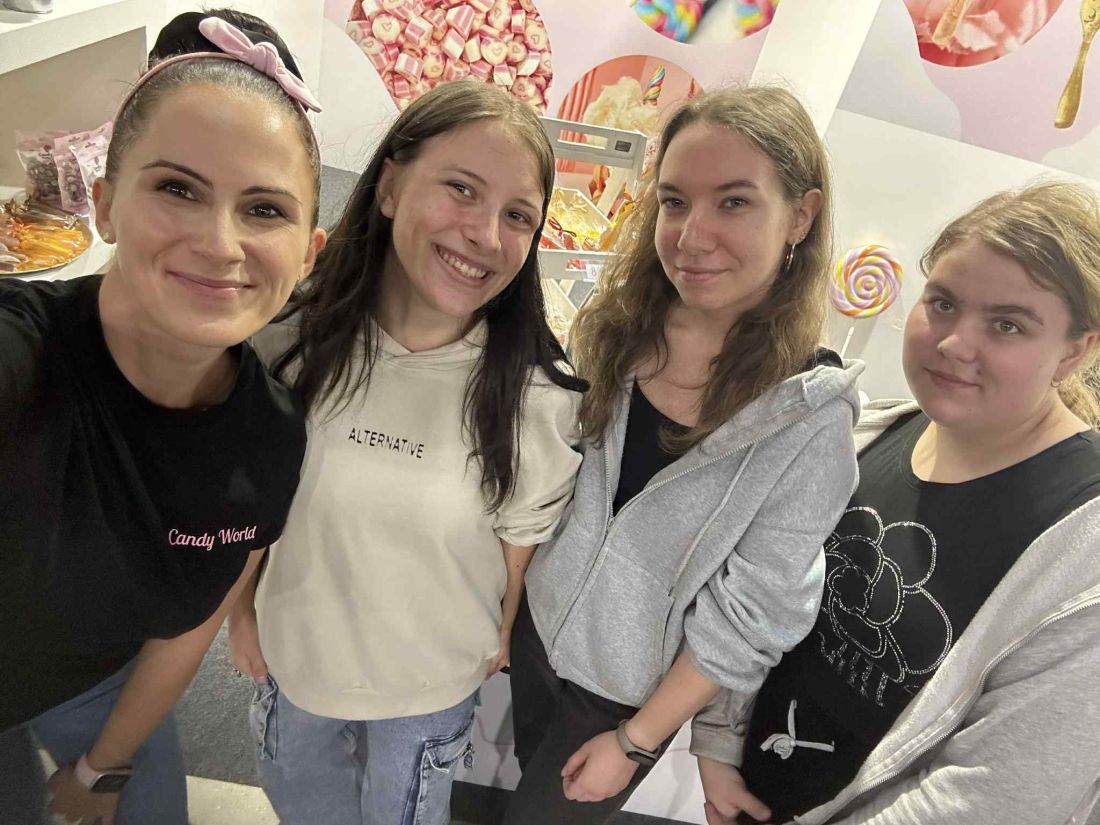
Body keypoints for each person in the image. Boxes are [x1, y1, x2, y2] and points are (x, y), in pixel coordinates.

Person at [226, 80, 586, 825]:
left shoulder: (536, 396)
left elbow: (517, 551)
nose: (486, 234)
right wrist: (240, 612)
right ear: (389, 185)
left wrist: (496, 638)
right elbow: (250, 505)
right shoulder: (286, 344)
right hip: (294, 659)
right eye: (462, 188)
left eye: (518, 215)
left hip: (430, 686)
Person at [502, 85, 863, 825]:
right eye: (674, 201)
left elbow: (753, 614)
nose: (693, 236)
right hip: (535, 631)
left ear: (800, 215)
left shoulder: (810, 420)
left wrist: (636, 741)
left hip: (620, 700)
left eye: (734, 202)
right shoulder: (621, 325)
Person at [0, 13, 325, 825]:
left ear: (308, 253)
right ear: (105, 206)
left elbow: (189, 621)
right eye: (178, 188)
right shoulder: (22, 356)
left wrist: (103, 765)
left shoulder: (270, 438)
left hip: (99, 677)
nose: (219, 243)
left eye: (264, 208)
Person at [693, 182, 1100, 825]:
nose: (955, 343)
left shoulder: (1083, 552)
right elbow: (762, 598)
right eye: (943, 303)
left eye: (1007, 324)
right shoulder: (866, 437)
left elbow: (995, 796)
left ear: (1076, 350)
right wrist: (720, 741)